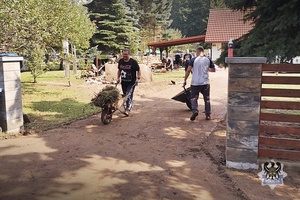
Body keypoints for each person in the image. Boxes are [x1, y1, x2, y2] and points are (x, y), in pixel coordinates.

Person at [183, 46, 215, 121]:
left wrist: (185, 80)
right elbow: (213, 70)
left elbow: (188, 70)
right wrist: (207, 69)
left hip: (195, 83)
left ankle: (195, 111)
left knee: (193, 98)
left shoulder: (193, 60)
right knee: (207, 99)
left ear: (197, 52)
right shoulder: (208, 59)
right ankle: (208, 115)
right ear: (203, 52)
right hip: (205, 82)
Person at [117, 49, 141, 116]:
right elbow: (119, 70)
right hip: (124, 81)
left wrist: (138, 78)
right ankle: (129, 104)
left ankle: (128, 109)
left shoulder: (133, 62)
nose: (124, 56)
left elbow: (138, 70)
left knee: (128, 94)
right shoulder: (121, 61)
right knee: (125, 94)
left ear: (129, 54)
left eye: (126, 54)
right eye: (124, 54)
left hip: (131, 82)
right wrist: (118, 78)